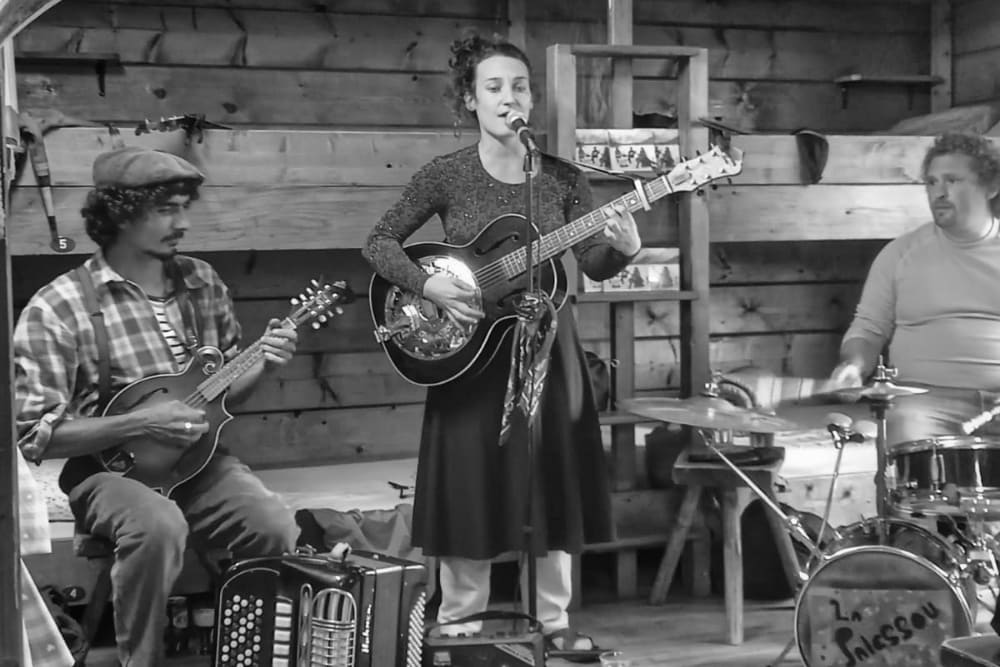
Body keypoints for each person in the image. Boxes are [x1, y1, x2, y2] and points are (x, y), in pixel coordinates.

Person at [362, 33, 641, 659]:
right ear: (471, 99)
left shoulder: (564, 178)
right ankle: (461, 615)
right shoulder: (446, 175)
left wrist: (624, 248)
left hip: (549, 344)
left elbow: (593, 261)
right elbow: (379, 243)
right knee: (468, 473)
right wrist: (427, 279)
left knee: (556, 469)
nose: (510, 97)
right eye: (495, 87)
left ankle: (555, 615)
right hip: (468, 351)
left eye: (520, 86)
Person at [14, 146, 301, 666]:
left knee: (274, 524)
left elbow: (224, 395)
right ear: (122, 213)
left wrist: (267, 363)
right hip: (107, 474)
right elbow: (36, 436)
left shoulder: (202, 284)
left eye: (183, 207)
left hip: (198, 465)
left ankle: (251, 653)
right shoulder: (59, 306)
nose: (183, 223)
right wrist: (139, 421)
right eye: (167, 209)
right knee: (157, 524)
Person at [830, 131, 1000, 445]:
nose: (940, 192)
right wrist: (854, 365)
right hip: (922, 405)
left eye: (952, 180)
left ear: (990, 186)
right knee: (906, 431)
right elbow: (867, 328)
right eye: (932, 182)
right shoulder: (900, 253)